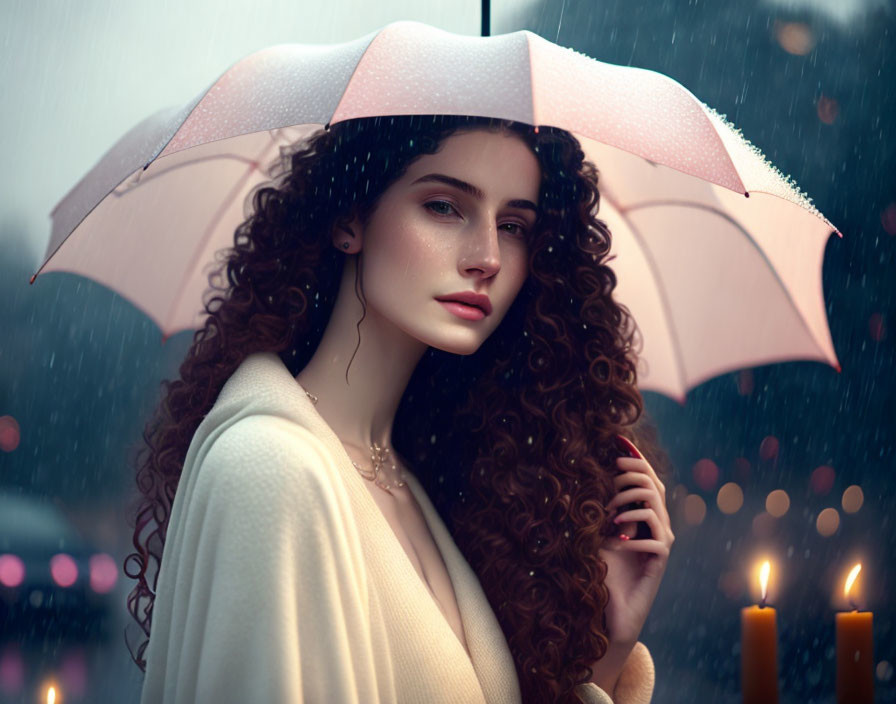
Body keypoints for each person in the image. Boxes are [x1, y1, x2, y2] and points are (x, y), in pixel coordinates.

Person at [124, 114, 674, 704]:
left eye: (513, 225)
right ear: (349, 220)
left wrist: (609, 654)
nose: (487, 256)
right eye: (444, 206)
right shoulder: (270, 466)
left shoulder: (411, 478)